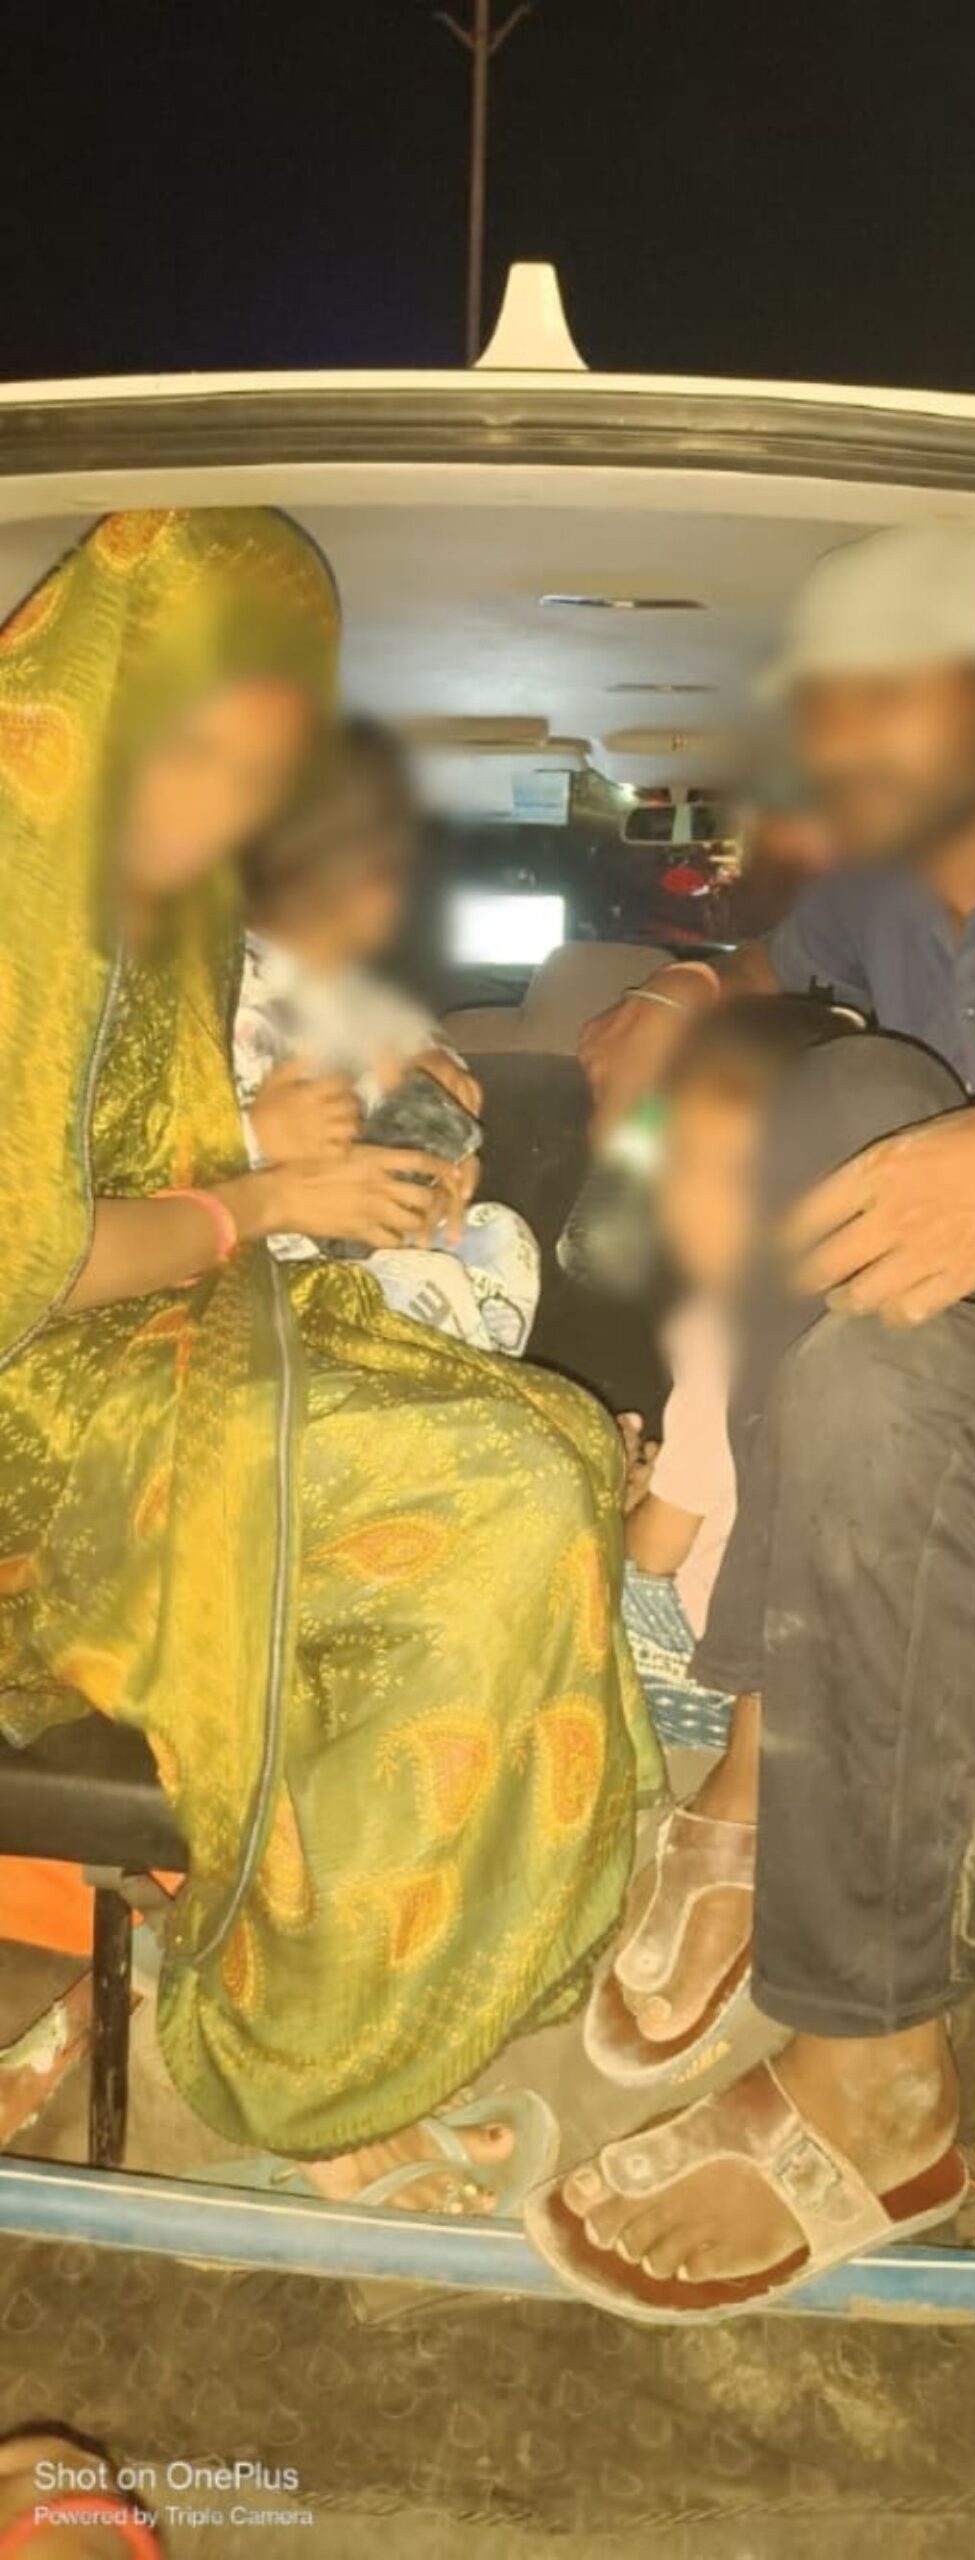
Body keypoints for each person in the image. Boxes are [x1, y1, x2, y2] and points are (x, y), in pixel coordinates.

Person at [0, 508, 659, 2216]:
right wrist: (264, 1194)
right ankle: (304, 2071)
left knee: (553, 1450)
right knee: (495, 1496)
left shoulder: (174, 914)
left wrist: (335, 1134)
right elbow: (26, 1257)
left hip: (166, 1336)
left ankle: (423, 1960)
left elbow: (175, 1136)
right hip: (33, 1418)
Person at [532, 523, 975, 2315]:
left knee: (888, 1352)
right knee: (846, 1094)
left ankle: (858, 2054)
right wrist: (681, 991)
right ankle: (774, 1801)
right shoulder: (874, 878)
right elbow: (771, 967)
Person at [236, 715, 541, 1357]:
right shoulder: (210, 985)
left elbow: (411, 1054)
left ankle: (481, 1375)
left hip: (373, 1231)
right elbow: (151, 1154)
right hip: (257, 1265)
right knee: (426, 1283)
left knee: (499, 1237)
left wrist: (440, 1123)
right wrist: (254, 1137)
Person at [618, 996, 857, 1757]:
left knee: (547, 1559)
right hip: (846, 1675)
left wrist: (613, 1505)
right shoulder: (868, 1309)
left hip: (711, 1675)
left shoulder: (720, 1336)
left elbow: (654, 1552)